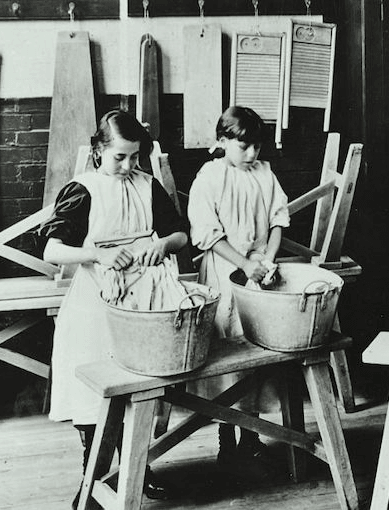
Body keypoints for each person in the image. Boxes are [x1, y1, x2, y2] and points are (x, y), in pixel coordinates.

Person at [38, 110, 188, 508]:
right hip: (95, 302)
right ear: (97, 151)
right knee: (94, 394)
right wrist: (98, 256)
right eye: (118, 157)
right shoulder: (83, 189)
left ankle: (136, 468)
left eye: (135, 157)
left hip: (144, 298)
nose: (127, 165)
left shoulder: (147, 185)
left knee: (137, 384)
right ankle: (92, 476)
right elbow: (52, 249)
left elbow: (180, 234)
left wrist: (163, 244)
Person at [186, 106, 290, 480]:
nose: (252, 154)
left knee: (257, 351)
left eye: (257, 147)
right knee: (228, 350)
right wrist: (243, 264)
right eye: (243, 146)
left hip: (259, 271)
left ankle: (252, 436)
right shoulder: (211, 176)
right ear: (222, 141)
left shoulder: (264, 173)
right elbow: (207, 234)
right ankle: (225, 438)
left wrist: (267, 259)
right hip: (223, 271)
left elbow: (279, 218)